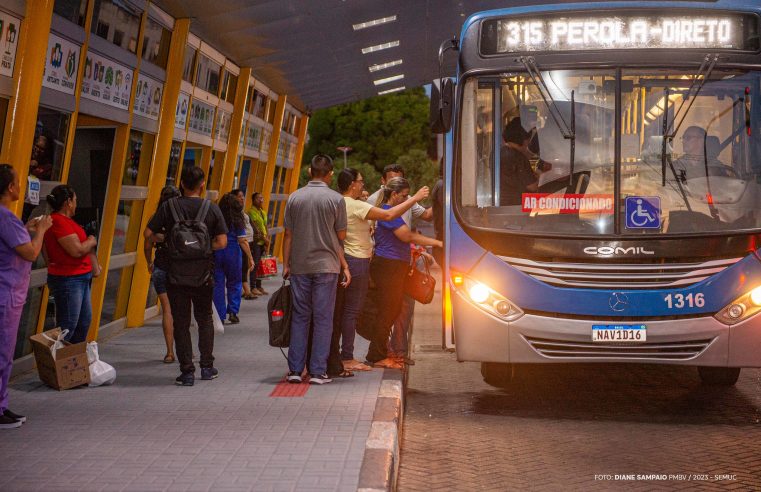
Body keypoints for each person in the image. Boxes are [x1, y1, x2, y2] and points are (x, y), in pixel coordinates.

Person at [332, 168, 429, 374]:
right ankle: (352, 356)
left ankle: (359, 354)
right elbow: (388, 216)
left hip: (357, 260)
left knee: (360, 310)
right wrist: (416, 198)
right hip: (358, 260)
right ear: (352, 185)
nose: (363, 185)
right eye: (360, 181)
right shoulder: (355, 204)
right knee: (356, 311)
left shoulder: (342, 204)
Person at [145, 166, 228, 386]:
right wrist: (200, 247)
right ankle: (208, 368)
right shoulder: (211, 208)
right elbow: (221, 242)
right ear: (203, 185)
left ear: (181, 183)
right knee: (204, 320)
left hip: (176, 276)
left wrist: (174, 244)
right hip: (203, 275)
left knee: (181, 322)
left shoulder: (168, 207)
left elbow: (148, 235)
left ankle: (187, 372)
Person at [282, 154, 350, 385]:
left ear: (310, 172)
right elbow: (341, 235)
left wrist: (286, 263)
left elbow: (288, 234)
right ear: (330, 174)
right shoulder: (335, 199)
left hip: (300, 266)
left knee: (300, 317)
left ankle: (294, 370)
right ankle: (318, 371)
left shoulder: (294, 198)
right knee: (323, 318)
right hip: (327, 266)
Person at [365, 177, 443, 369]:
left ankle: (379, 352)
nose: (406, 199)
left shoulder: (393, 214)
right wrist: (437, 243)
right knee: (388, 310)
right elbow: (406, 236)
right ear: (394, 195)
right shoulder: (385, 212)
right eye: (404, 196)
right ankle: (376, 355)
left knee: (393, 309)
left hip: (394, 266)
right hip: (388, 267)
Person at [0, 164, 52, 429]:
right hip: (6, 294)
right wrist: (41, 231)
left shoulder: (9, 220)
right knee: (3, 353)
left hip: (8, 291)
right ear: (10, 187)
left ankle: (2, 404)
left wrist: (27, 227)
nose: (20, 186)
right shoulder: (5, 218)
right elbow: (31, 254)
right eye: (18, 181)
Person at [43, 185, 97, 343]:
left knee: (83, 322)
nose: (76, 204)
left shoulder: (66, 222)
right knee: (68, 326)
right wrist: (91, 240)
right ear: (68, 202)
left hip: (79, 277)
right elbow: (77, 250)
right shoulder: (58, 222)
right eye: (75, 200)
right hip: (68, 280)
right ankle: (58, 363)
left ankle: (73, 362)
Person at [143, 185, 181, 363]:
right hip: (181, 268)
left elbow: (147, 239)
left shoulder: (157, 217)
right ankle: (186, 349)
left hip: (161, 266)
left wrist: (149, 261)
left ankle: (169, 352)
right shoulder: (182, 217)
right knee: (182, 309)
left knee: (167, 310)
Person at [214, 193, 253, 324]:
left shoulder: (216, 218)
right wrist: (250, 257)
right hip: (233, 252)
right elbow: (242, 240)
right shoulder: (237, 220)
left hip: (217, 251)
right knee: (235, 283)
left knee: (218, 284)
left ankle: (220, 314)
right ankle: (233, 311)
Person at [499, 117, 543, 206]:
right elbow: (533, 187)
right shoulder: (518, 157)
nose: (528, 143)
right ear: (524, 139)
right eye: (528, 139)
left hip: (502, 203)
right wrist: (542, 176)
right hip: (517, 206)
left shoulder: (499, 152)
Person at [231, 189, 257, 300]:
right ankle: (246, 290)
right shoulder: (234, 212)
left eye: (243, 196)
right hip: (242, 242)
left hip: (248, 241)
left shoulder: (241, 211)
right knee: (244, 265)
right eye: (239, 196)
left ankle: (244, 289)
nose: (242, 198)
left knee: (246, 266)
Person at [247, 192, 270, 296]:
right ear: (253, 200)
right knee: (255, 264)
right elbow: (256, 229)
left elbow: (265, 227)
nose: (261, 200)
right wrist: (265, 240)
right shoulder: (251, 212)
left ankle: (259, 285)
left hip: (263, 242)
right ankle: (253, 286)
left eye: (262, 198)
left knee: (261, 265)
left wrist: (267, 241)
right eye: (258, 198)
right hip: (256, 242)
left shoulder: (263, 212)